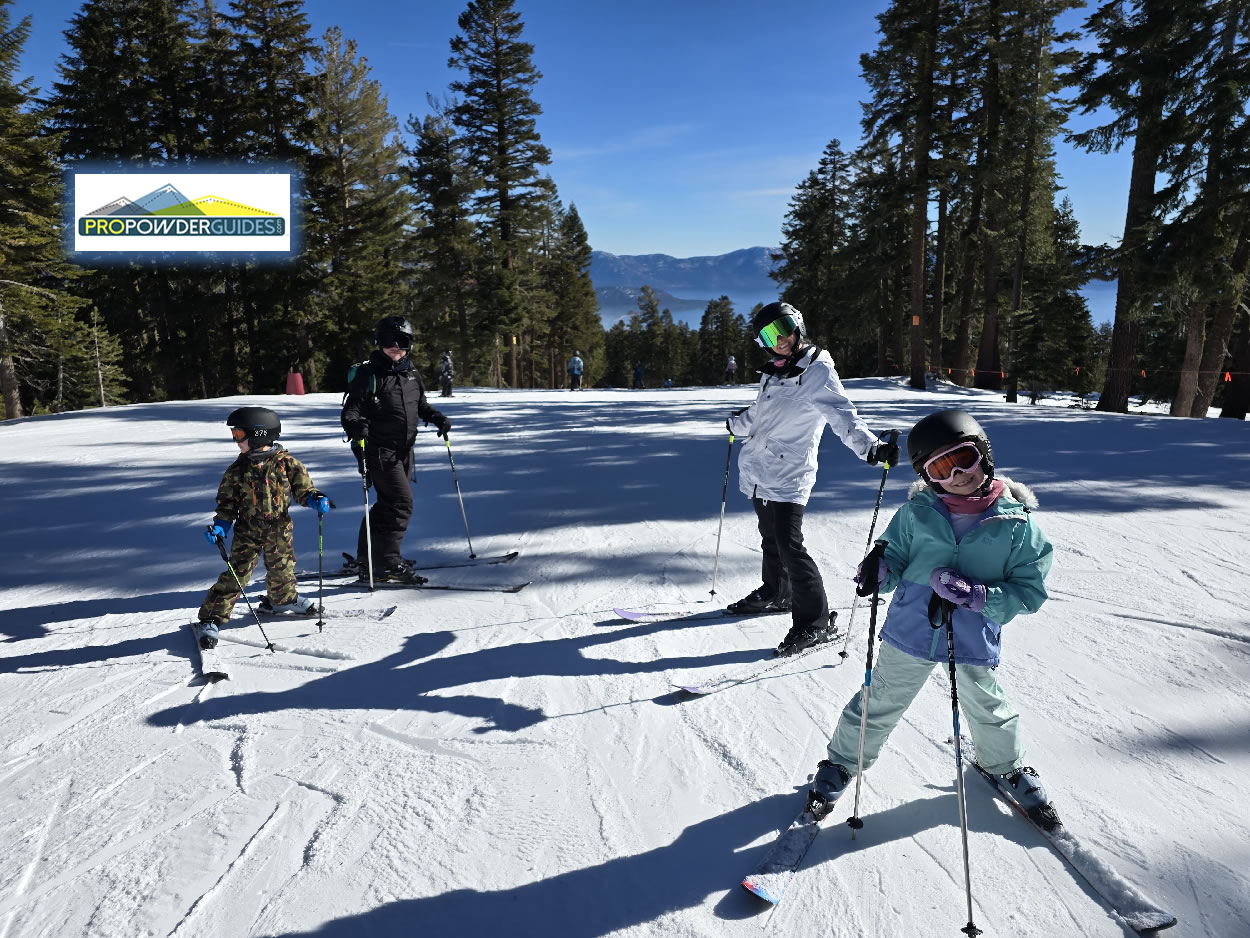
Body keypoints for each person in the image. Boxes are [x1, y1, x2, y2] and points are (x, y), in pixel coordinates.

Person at [806, 408, 1059, 830]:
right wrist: (881, 569)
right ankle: (842, 763)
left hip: (972, 635)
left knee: (987, 707)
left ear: (984, 454)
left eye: (964, 458)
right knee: (880, 698)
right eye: (941, 467)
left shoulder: (1018, 526)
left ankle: (1006, 767)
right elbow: (895, 553)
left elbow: (1028, 591)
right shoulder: (917, 513)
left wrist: (980, 597)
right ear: (928, 477)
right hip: (911, 629)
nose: (958, 473)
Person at [725, 301, 899, 657]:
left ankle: (815, 622)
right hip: (760, 471)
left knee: (790, 545)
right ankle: (777, 592)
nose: (781, 339)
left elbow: (842, 415)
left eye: (784, 327)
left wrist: (872, 448)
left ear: (798, 326)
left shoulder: (816, 369)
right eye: (769, 335)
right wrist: (736, 423)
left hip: (789, 475)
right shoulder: (774, 372)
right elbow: (761, 415)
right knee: (770, 539)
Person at [196, 406, 331, 649]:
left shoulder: (288, 464)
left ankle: (283, 600)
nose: (236, 441)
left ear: (259, 435)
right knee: (237, 574)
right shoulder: (237, 470)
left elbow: (304, 490)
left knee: (283, 568)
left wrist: (314, 498)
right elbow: (227, 505)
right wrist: (221, 526)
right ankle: (211, 616)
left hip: (280, 529)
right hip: (248, 530)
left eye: (239, 435)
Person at [341, 316, 450, 584]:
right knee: (401, 503)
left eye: (403, 341)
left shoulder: (411, 374)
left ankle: (370, 557)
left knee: (386, 505)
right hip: (378, 451)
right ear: (379, 342)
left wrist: (437, 417)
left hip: (404, 451)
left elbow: (420, 406)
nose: (396, 346)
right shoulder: (369, 375)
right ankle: (386, 562)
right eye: (390, 341)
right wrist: (356, 426)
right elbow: (350, 411)